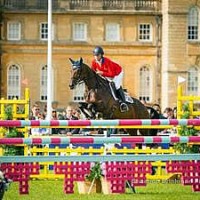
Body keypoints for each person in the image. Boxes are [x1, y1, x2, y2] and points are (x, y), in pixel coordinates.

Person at [91, 46, 128, 112]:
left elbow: (112, 74)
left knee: (116, 85)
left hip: (117, 73)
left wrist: (102, 73)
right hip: (107, 74)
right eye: (94, 55)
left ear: (101, 55)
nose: (96, 57)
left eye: (97, 55)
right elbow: (92, 71)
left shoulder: (107, 62)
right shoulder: (94, 62)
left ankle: (123, 103)